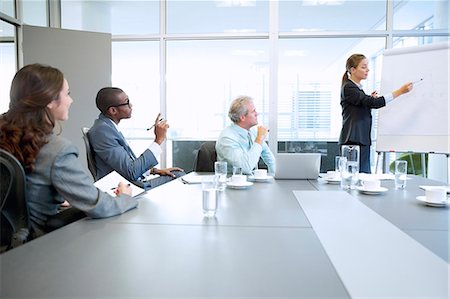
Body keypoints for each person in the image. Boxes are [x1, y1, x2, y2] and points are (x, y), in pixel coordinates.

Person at [0, 64, 137, 237]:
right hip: (39, 246)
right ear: (50, 100)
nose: (70, 100)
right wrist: (125, 196)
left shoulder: (8, 136)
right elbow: (101, 207)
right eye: (67, 94)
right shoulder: (57, 149)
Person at [88, 87, 185, 189]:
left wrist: (154, 171)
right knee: (179, 177)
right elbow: (132, 172)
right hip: (126, 189)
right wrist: (158, 140)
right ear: (113, 110)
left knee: (177, 173)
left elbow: (126, 165)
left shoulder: (107, 127)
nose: (131, 105)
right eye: (127, 102)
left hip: (131, 183)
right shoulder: (103, 132)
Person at [339, 53, 413, 173]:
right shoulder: (349, 87)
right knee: (354, 178)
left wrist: (369, 99)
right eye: (363, 67)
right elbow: (375, 103)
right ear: (352, 70)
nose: (367, 70)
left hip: (359, 139)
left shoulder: (356, 88)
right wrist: (400, 91)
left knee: (362, 176)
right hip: (353, 141)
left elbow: (362, 105)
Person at [216, 95, 276, 175]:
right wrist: (259, 139)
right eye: (253, 111)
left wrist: (277, 175)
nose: (257, 114)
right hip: (233, 184)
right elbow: (245, 168)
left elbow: (268, 156)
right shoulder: (227, 138)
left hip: (252, 181)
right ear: (242, 117)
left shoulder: (252, 131)